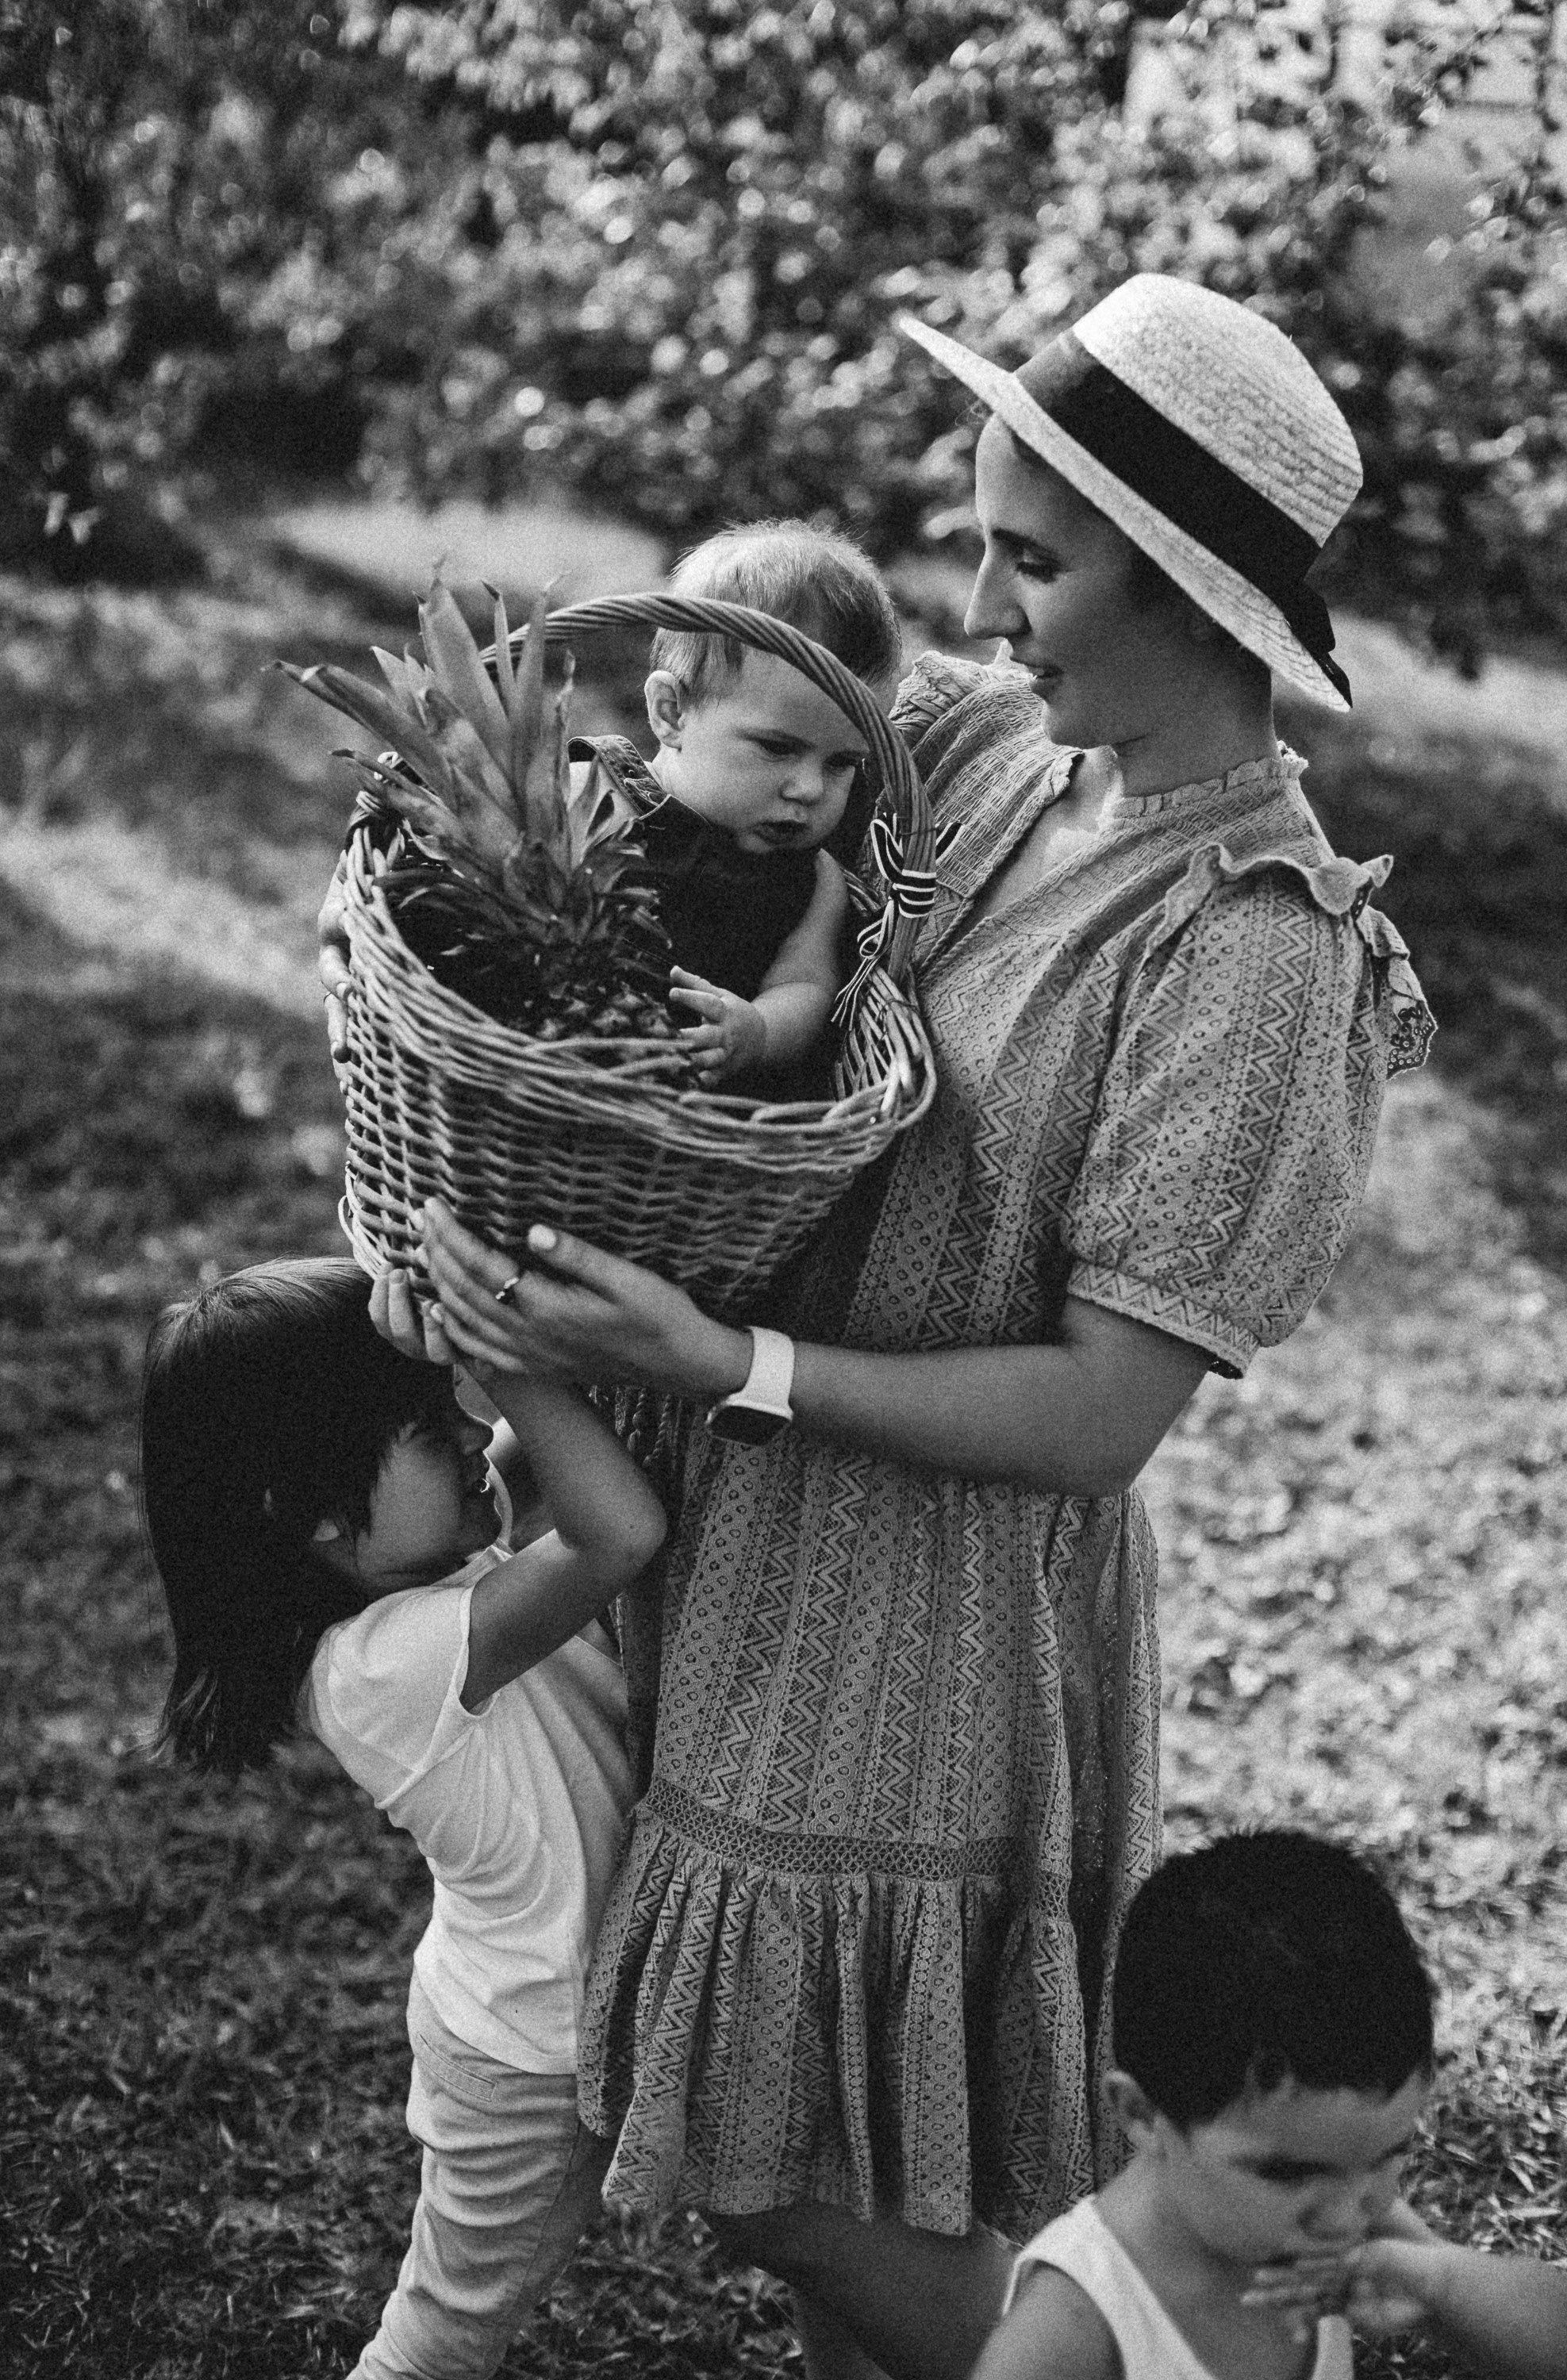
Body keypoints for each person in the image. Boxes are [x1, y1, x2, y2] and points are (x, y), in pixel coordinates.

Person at [334, 272, 1437, 2380]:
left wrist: (728, 1367)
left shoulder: (1250, 947)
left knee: (782, 2171)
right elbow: (724, 714)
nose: (981, 597)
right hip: (742, 1513)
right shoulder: (996, 745)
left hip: (921, 1611)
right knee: (852, 2169)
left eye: (1031, 557)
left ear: (1192, 597)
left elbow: (1113, 1405)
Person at [140, 1257, 666, 2380]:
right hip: (526, 2060)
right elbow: (617, 1527)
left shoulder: (419, 1581)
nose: (475, 1429)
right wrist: (493, 1349)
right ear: (317, 1516)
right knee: (442, 2334)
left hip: (555, 2013)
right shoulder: (382, 1667)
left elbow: (558, 1452)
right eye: (433, 1427)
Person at [972, 1830, 1567, 2380]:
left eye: (1388, 2157)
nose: (1347, 2218)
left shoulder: (1343, 2211)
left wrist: (1438, 2287)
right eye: (1286, 2172)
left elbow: (1566, 2349)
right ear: (1142, 2115)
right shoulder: (1080, 2317)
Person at [570, 518, 903, 1089]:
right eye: (778, 748)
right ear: (671, 713)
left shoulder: (811, 880)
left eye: (842, 763)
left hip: (693, 1131)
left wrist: (757, 1030)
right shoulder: (594, 796)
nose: (810, 789)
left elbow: (806, 987)